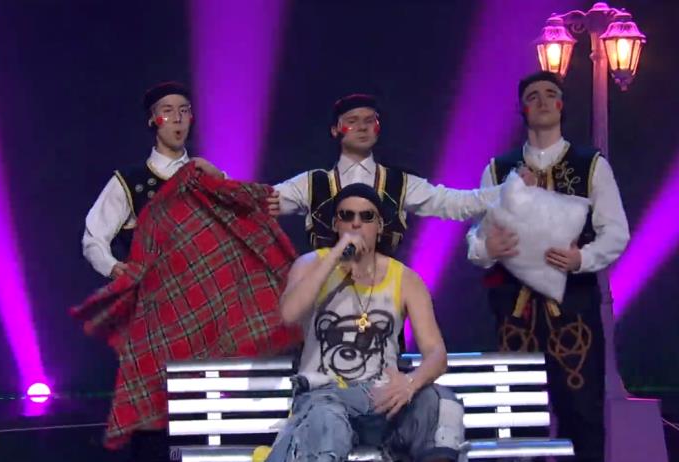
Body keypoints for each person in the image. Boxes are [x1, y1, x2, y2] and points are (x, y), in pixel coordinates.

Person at [466, 71, 630, 462]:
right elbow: (475, 238)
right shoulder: (499, 169)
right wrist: (487, 247)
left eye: (550, 93)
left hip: (574, 307)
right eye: (532, 96)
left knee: (582, 411)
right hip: (514, 310)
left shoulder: (590, 165)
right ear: (522, 109)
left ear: (561, 104)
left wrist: (582, 259)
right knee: (518, 415)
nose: (541, 100)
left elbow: (616, 231)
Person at [267, 183, 464, 462]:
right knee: (326, 424)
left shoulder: (405, 279)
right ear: (335, 224)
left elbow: (436, 354)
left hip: (383, 398)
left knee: (441, 404)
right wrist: (335, 255)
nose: (356, 223)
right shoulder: (310, 264)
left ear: (380, 226)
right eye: (346, 216)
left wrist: (410, 382)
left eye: (366, 216)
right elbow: (289, 314)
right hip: (325, 397)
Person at [270, 93, 500, 255]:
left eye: (370, 121)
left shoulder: (399, 183)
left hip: (383, 296)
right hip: (323, 295)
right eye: (352, 121)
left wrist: (511, 189)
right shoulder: (312, 184)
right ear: (334, 130)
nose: (362, 127)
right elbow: (261, 200)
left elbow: (455, 203)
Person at [82, 81, 223, 278]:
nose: (178, 118)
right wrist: (112, 267)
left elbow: (248, 215)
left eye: (184, 111)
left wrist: (221, 182)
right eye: (168, 111)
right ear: (153, 119)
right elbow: (93, 237)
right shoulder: (130, 182)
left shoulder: (206, 174)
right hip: (153, 290)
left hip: (205, 288)